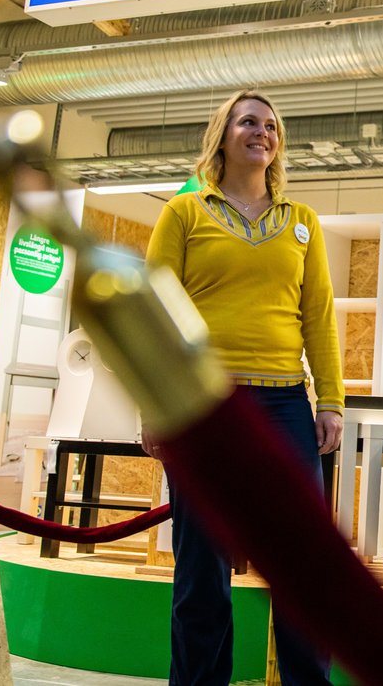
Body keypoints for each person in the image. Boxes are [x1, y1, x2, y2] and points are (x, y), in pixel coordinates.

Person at [146, 89, 344, 686]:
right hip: (203, 406)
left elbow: (319, 317)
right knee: (201, 572)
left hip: (285, 403)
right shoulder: (184, 212)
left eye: (272, 125)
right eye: (249, 121)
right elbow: (156, 309)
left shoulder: (302, 221)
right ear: (224, 135)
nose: (263, 132)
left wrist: (330, 401)